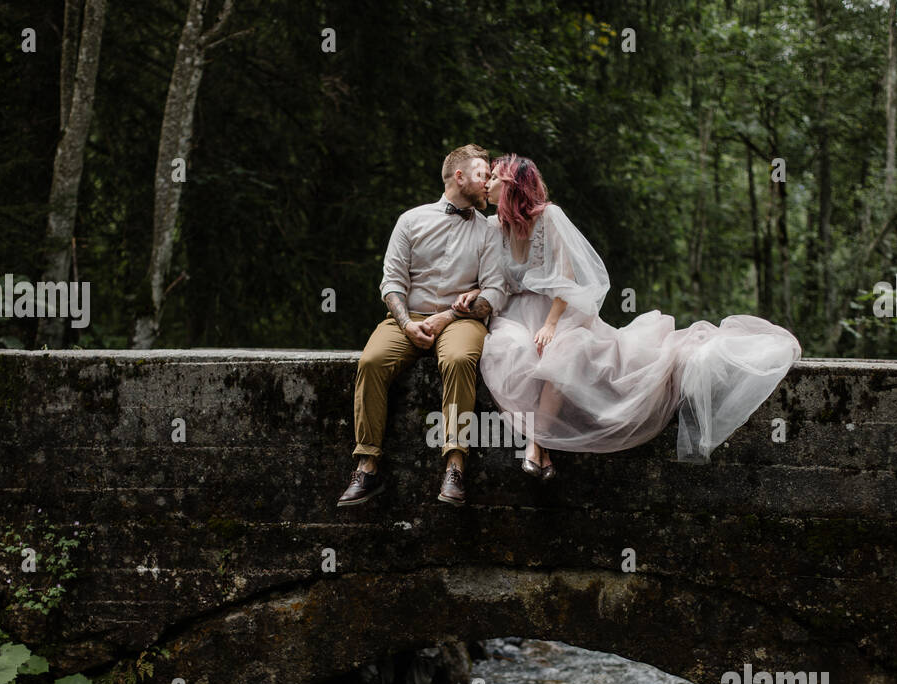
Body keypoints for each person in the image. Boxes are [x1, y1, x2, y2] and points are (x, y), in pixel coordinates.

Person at [461, 154, 801, 477]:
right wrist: (474, 294)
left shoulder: (549, 217)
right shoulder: (493, 227)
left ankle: (536, 443)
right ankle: (544, 448)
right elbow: (491, 279)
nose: (487, 183)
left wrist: (551, 325)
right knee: (511, 352)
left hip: (557, 309)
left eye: (494, 177)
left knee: (566, 350)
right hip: (514, 313)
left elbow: (565, 278)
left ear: (513, 184)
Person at [337, 144, 507, 507]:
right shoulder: (411, 220)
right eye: (483, 174)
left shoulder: (490, 230)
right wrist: (407, 324)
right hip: (407, 317)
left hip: (461, 319)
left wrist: (450, 315)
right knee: (370, 363)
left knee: (460, 360)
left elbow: (495, 290)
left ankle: (455, 465)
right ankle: (367, 467)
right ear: (459, 177)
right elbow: (391, 283)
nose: (489, 182)